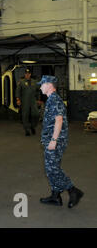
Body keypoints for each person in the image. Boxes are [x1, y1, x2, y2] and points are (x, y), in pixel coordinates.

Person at [38, 75, 84, 208]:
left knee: (52, 169)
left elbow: (59, 120)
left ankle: (73, 191)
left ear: (49, 85)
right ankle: (55, 196)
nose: (40, 87)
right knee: (51, 168)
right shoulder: (51, 99)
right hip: (52, 140)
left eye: (42, 84)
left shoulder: (54, 100)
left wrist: (53, 140)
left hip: (55, 141)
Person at [16, 68, 41, 136]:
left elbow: (38, 91)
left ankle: (32, 126)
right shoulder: (21, 82)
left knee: (36, 114)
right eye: (26, 74)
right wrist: (18, 99)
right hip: (25, 101)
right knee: (25, 115)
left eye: (28, 74)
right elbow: (18, 91)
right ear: (25, 74)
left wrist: (38, 99)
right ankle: (27, 130)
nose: (27, 75)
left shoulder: (35, 82)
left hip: (33, 101)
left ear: (30, 74)